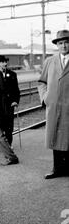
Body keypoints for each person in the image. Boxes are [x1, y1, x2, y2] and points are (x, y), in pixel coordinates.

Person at [38, 29, 69, 179]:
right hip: (54, 107)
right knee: (55, 136)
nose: (64, 46)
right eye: (61, 43)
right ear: (57, 45)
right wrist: (45, 97)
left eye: (67, 42)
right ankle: (57, 169)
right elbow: (42, 82)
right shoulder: (49, 61)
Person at [0, 55, 20, 146]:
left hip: (9, 103)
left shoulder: (12, 74)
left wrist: (15, 101)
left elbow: (16, 90)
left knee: (9, 125)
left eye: (5, 62)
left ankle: (9, 144)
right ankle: (0, 145)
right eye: (2, 62)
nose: (5, 64)